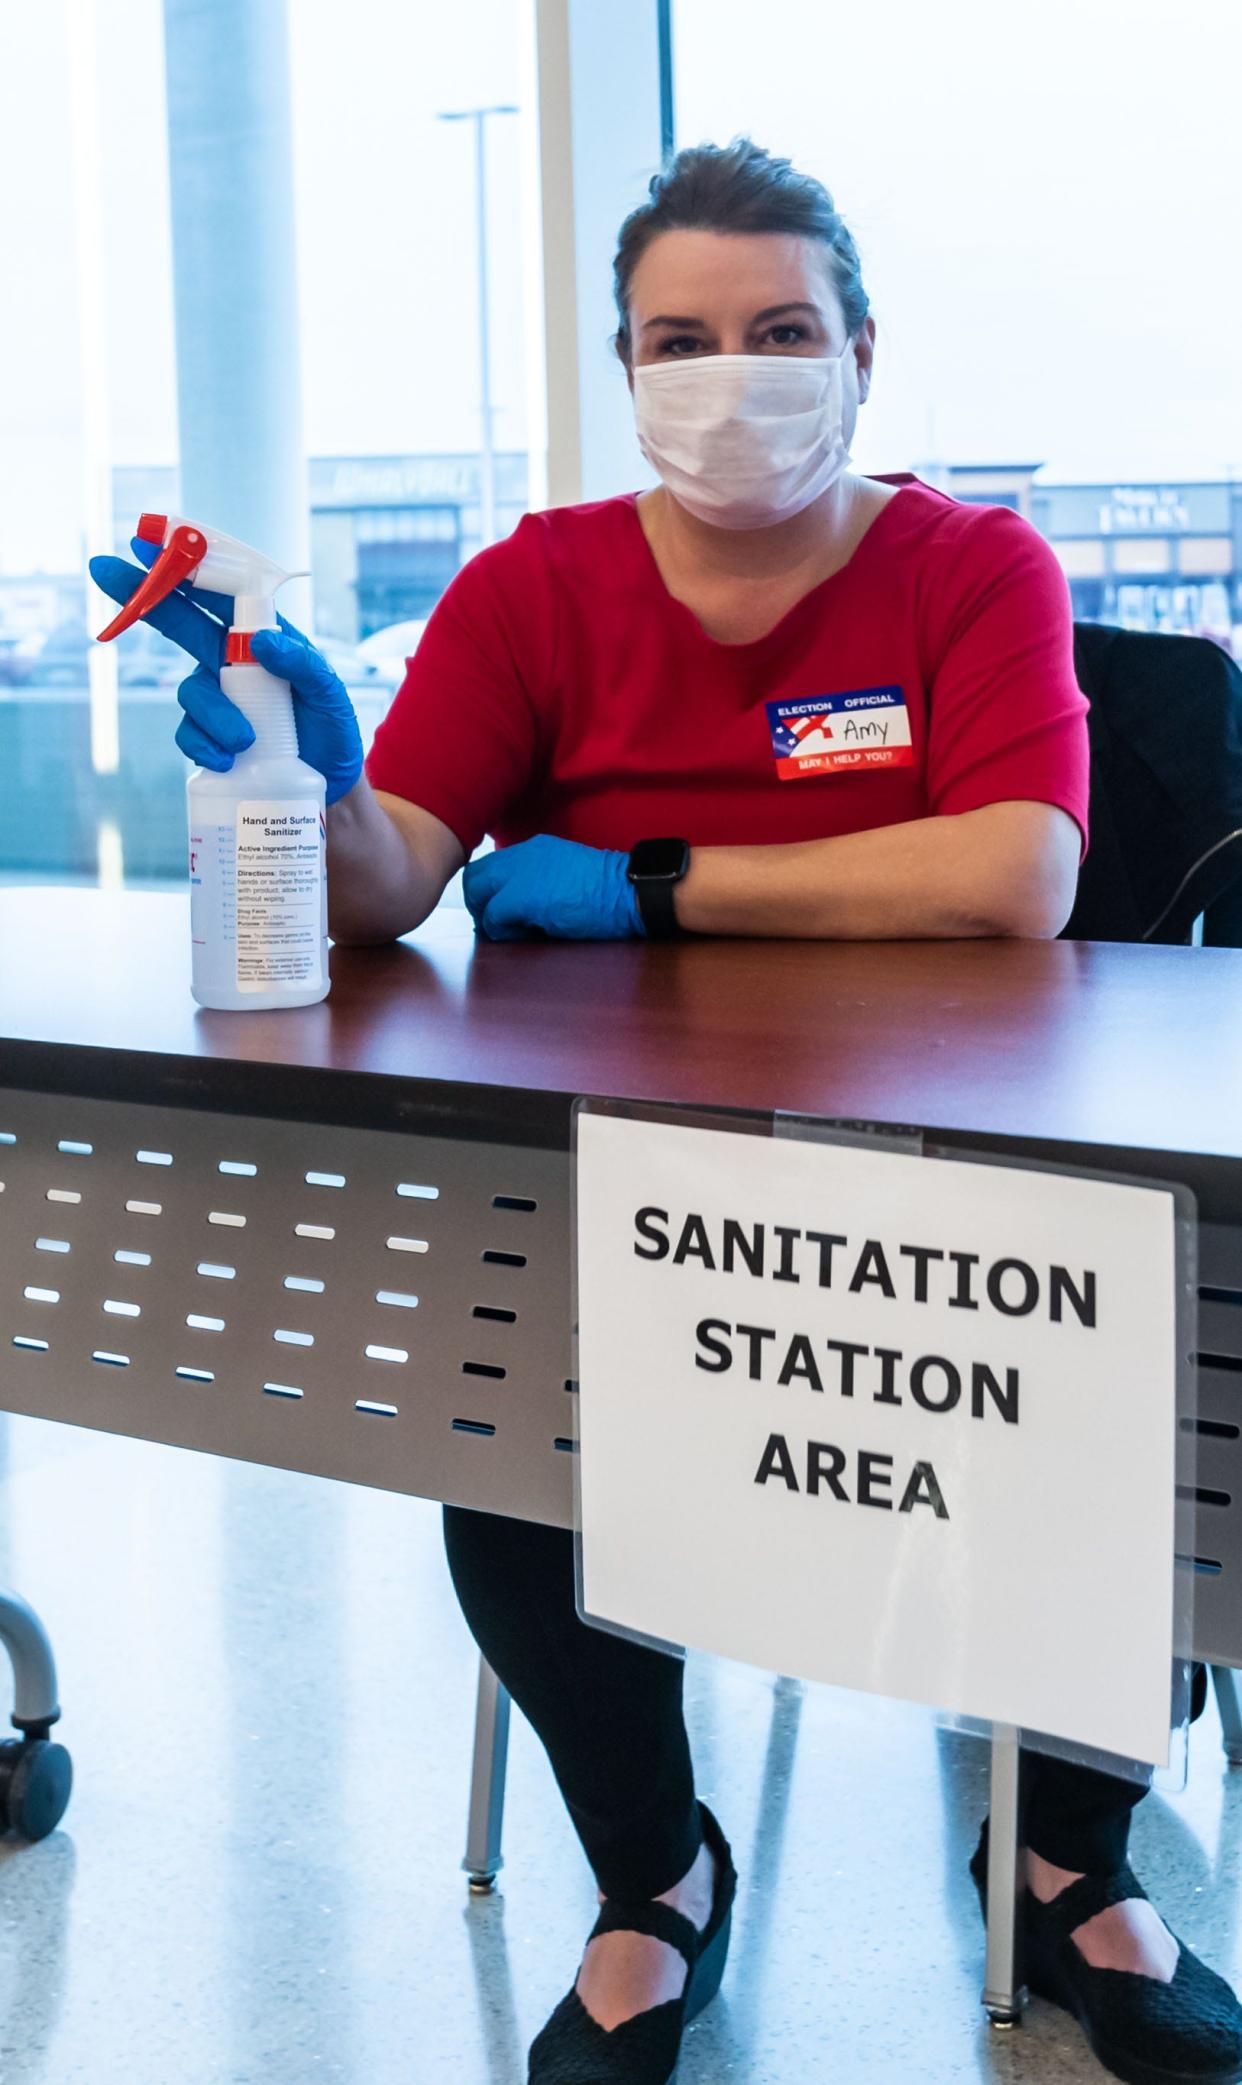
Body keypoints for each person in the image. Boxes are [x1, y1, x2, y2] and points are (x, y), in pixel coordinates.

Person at [92, 137, 1242, 2085]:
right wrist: (304, 779)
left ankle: (1066, 1853)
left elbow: (1011, 878)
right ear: (627, 367)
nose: (733, 374)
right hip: (618, 1186)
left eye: (781, 330)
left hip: (971, 1172)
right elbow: (395, 878)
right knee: (500, 1407)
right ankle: (654, 1875)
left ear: (862, 349)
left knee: (1152, 1388)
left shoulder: (975, 567)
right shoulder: (534, 586)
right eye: (680, 338)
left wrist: (646, 876)